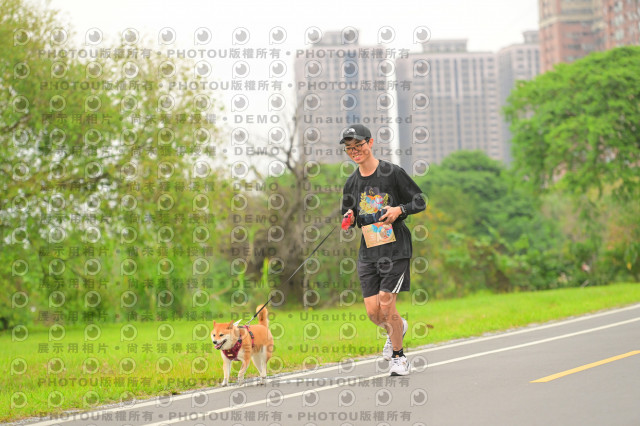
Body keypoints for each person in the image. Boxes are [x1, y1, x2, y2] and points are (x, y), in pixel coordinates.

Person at [340, 124, 426, 376]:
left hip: (395, 248)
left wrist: (399, 209)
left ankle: (399, 358)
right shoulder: (351, 182)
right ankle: (399, 327)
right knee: (373, 312)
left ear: (370, 142)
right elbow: (349, 215)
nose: (355, 151)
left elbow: (419, 200)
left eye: (358, 145)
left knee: (387, 305)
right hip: (369, 251)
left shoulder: (391, 172)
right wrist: (348, 219)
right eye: (349, 148)